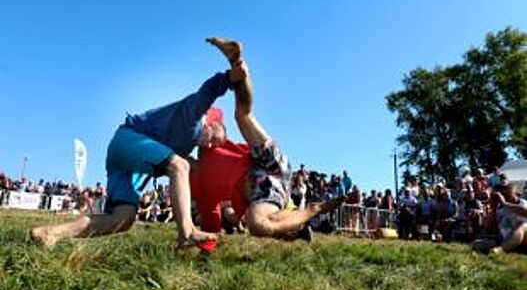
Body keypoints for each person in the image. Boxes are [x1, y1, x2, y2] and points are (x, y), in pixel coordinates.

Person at [31, 39, 238, 247]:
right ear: (209, 125)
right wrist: (229, 78)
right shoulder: (193, 118)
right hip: (129, 139)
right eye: (213, 138)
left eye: (214, 146)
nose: (210, 145)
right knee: (179, 165)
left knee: (123, 218)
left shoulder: (187, 146)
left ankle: (50, 234)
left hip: (129, 164)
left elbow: (196, 171)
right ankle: (186, 231)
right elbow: (207, 92)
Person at [190, 37, 345, 251]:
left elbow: (216, 121)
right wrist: (205, 253)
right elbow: (210, 226)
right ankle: (311, 212)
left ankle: (237, 63)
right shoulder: (200, 190)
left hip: (264, 161)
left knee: (243, 117)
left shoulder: (203, 143)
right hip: (265, 192)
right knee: (258, 224)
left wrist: (213, 132)